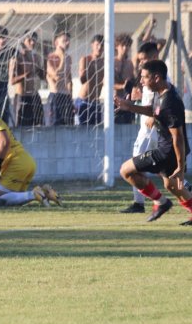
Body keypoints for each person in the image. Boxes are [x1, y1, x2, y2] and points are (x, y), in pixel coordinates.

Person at [115, 59, 192, 225]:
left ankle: (161, 202)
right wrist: (130, 107)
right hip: (170, 150)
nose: (141, 81)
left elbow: (177, 136)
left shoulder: (169, 103)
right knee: (173, 185)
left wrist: (180, 165)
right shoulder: (162, 92)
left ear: (156, 78)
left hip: (167, 152)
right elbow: (153, 110)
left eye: (144, 77)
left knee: (126, 171)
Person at [0, 93, 62, 207]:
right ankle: (45, 192)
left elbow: (4, 142)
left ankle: (35, 194)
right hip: (26, 162)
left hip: (16, 165)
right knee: (13, 200)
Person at [11, 30, 45, 127]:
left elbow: (43, 77)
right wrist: (25, 75)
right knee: (22, 127)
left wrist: (42, 69)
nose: (32, 43)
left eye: (34, 40)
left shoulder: (37, 57)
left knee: (39, 125)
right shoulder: (17, 57)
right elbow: (12, 81)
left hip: (35, 96)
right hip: (22, 96)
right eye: (29, 40)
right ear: (23, 41)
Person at [46, 31, 75, 125]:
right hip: (55, 96)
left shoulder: (69, 58)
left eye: (68, 41)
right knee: (55, 127)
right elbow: (56, 76)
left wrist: (71, 99)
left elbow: (69, 80)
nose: (67, 43)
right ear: (56, 43)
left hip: (66, 97)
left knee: (69, 125)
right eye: (64, 41)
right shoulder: (51, 57)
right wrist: (62, 58)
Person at [75, 34, 104, 126]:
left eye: (102, 45)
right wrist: (89, 70)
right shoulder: (85, 59)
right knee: (83, 131)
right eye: (97, 45)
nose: (99, 48)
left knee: (97, 131)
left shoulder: (105, 62)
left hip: (96, 101)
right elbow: (82, 80)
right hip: (84, 101)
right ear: (92, 45)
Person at [114, 33, 136, 124]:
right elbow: (107, 84)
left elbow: (131, 82)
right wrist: (122, 86)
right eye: (122, 45)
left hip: (127, 101)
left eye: (127, 46)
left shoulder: (130, 63)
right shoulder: (112, 62)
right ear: (117, 46)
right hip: (114, 101)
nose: (125, 48)